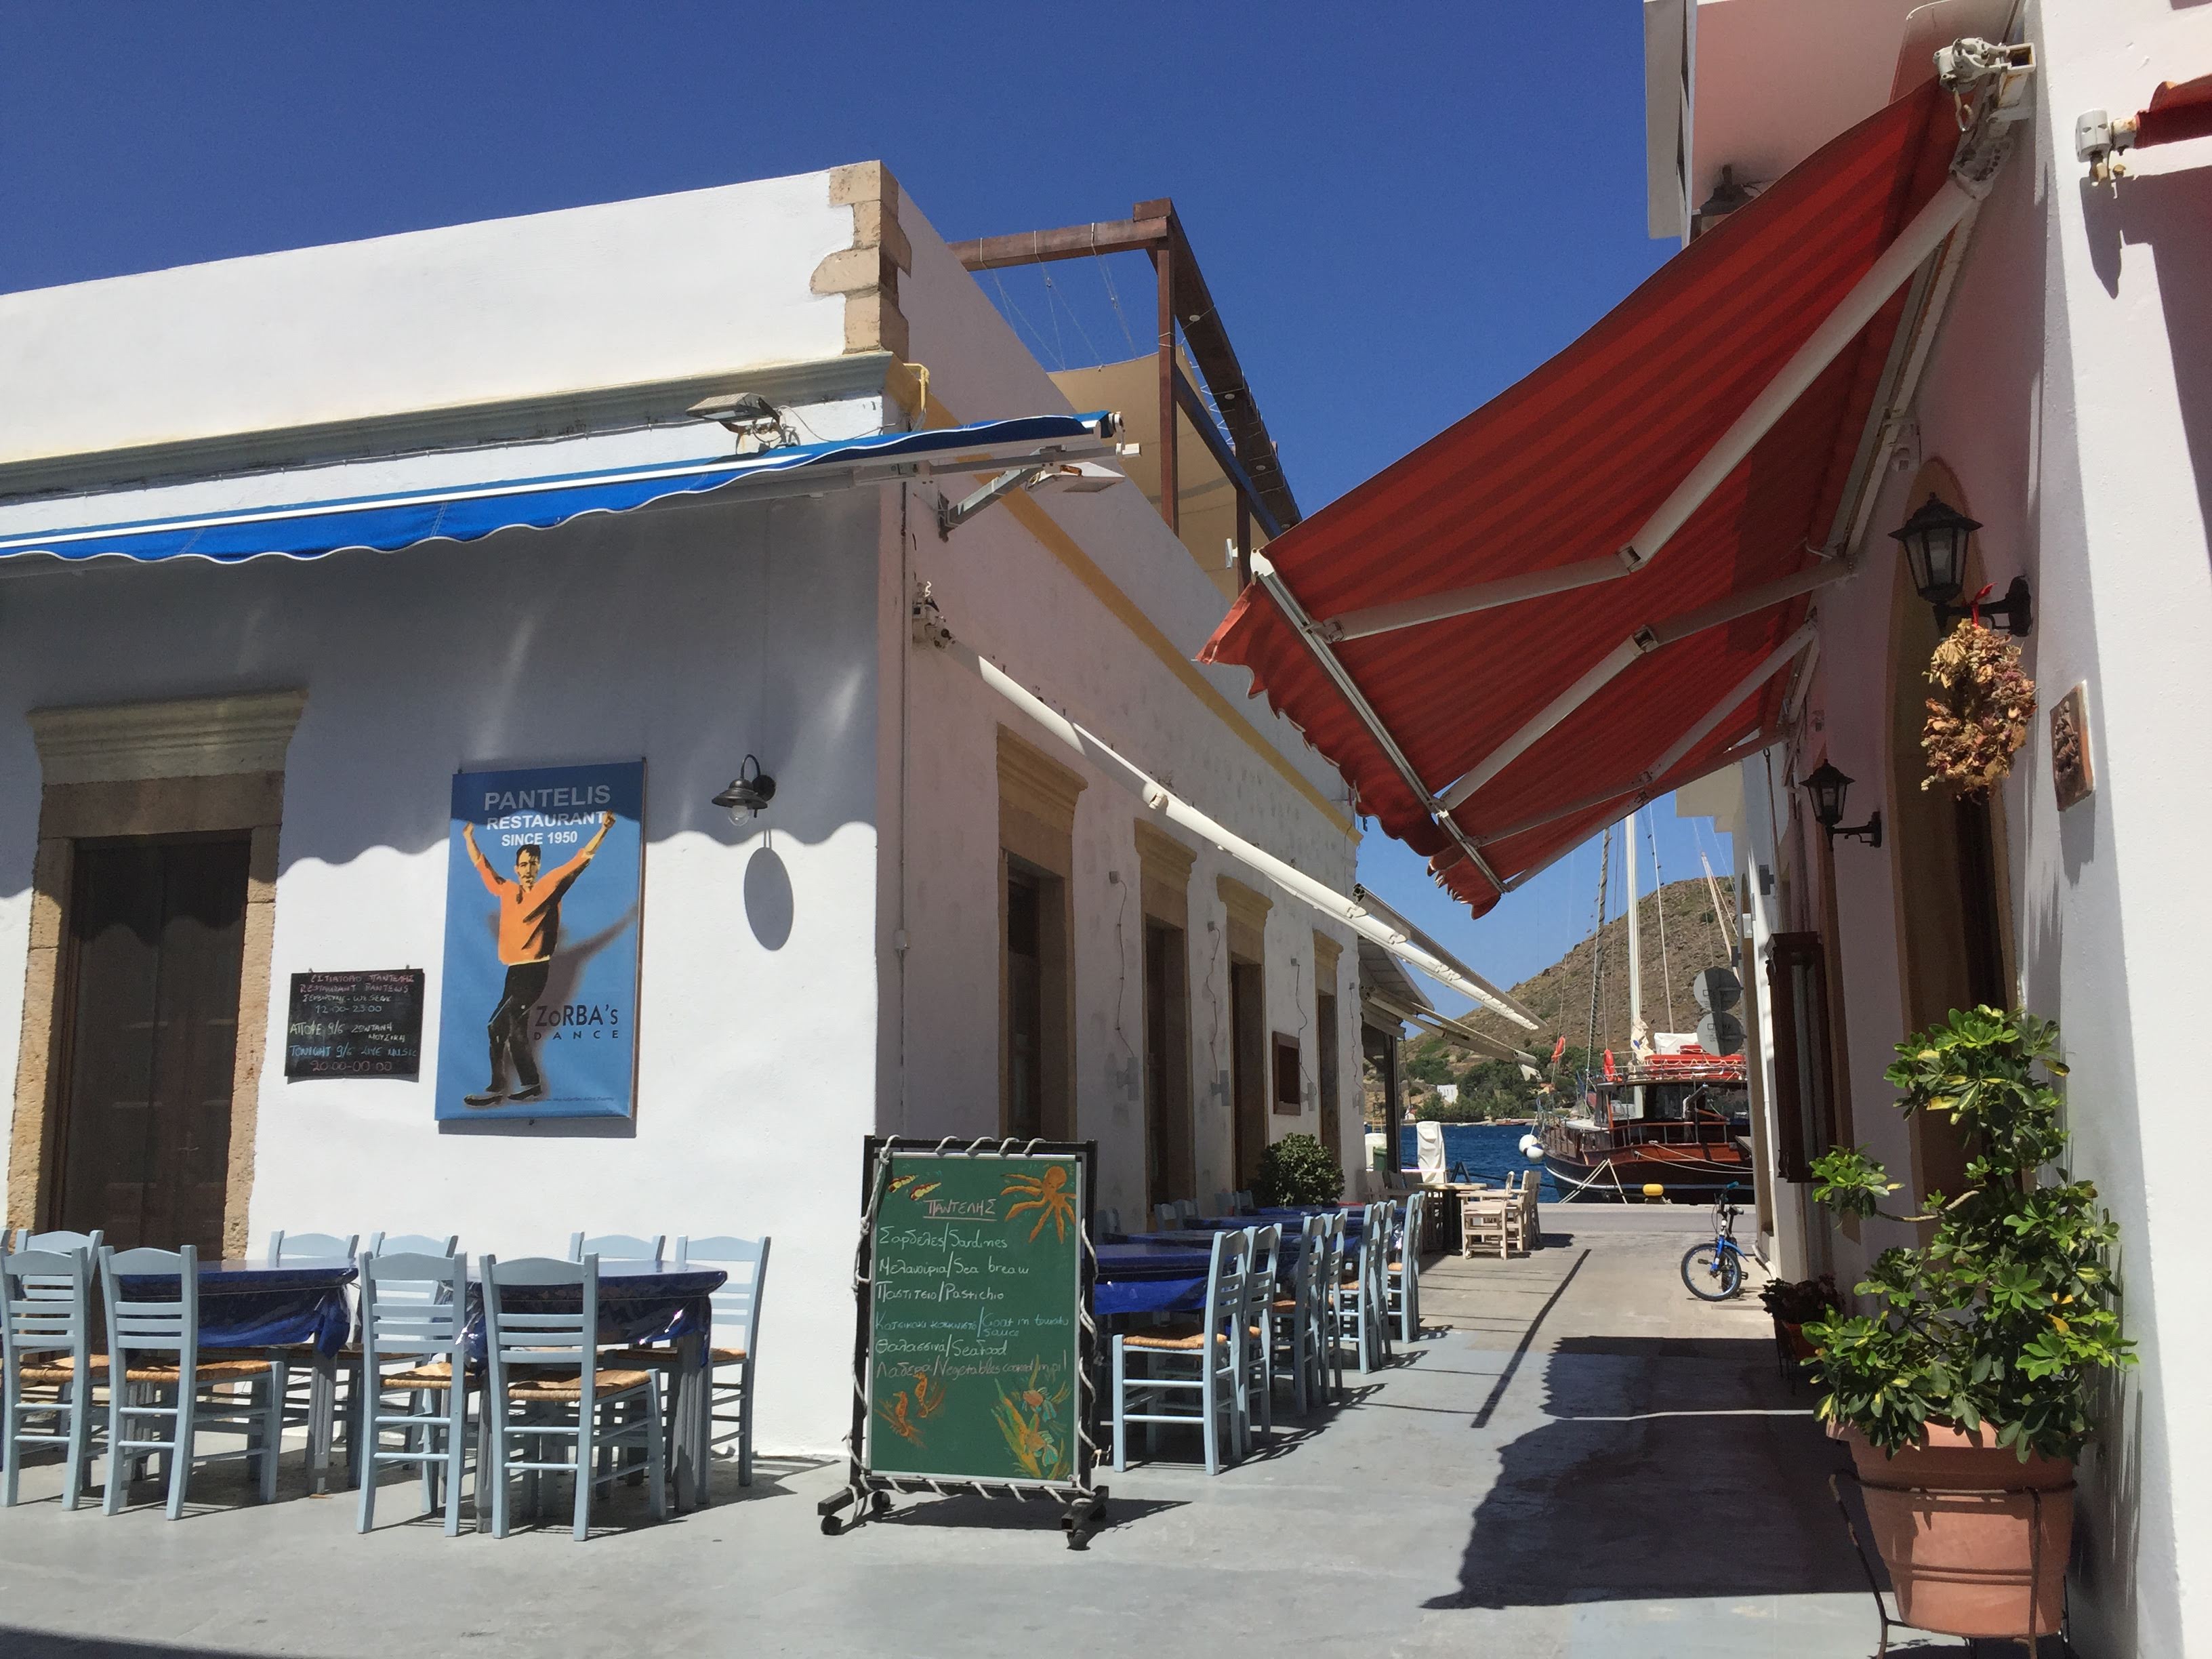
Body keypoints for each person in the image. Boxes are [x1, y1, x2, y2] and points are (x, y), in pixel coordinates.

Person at [460, 810, 616, 1106]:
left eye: (532, 863)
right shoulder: (507, 890)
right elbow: (481, 864)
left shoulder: (549, 887)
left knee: (496, 1026)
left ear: (538, 865)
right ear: (516, 868)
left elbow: (580, 859)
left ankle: (496, 1088)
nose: (528, 868)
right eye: (523, 864)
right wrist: (469, 837)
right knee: (516, 1031)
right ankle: (531, 1084)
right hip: (514, 972)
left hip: (535, 972)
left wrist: (604, 830)